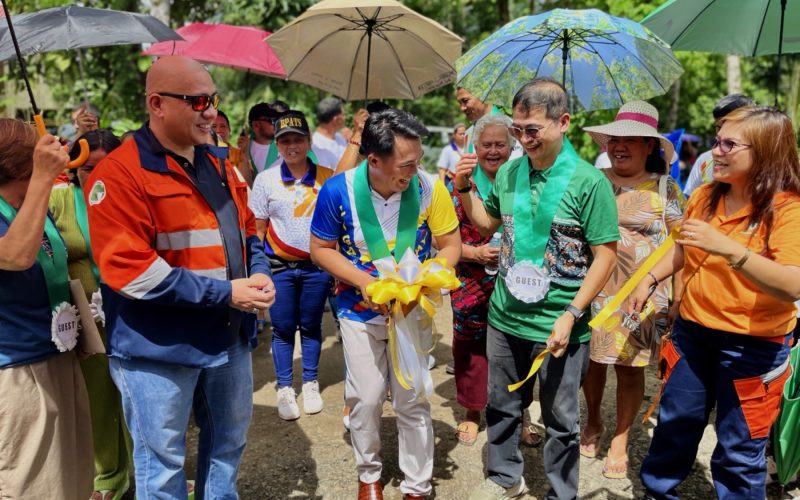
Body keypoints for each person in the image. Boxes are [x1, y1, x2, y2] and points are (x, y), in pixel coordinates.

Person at [85, 55, 275, 498]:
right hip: (157, 349)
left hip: (227, 337)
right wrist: (227, 292)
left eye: (214, 99)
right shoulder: (120, 174)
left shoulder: (218, 163)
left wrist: (260, 274)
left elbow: (248, 230)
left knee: (227, 448)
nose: (211, 111)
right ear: (157, 104)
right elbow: (130, 272)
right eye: (198, 100)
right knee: (162, 467)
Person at [455, 78, 619, 500]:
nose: (523, 140)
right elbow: (488, 224)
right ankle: (505, 479)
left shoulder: (589, 182)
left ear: (563, 122)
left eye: (533, 130)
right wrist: (462, 189)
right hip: (505, 318)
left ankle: (561, 492)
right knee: (502, 407)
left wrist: (572, 314)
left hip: (558, 327)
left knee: (562, 419)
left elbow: (605, 256)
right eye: (517, 130)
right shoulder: (509, 172)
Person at [630, 106, 800, 499]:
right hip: (692, 336)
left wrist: (729, 250)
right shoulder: (706, 196)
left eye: (729, 143)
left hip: (753, 347)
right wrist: (650, 278)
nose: (716, 151)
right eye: (716, 140)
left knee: (739, 450)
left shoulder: (787, 209)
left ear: (766, 151)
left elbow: (793, 284)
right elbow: (681, 246)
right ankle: (658, 492)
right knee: (674, 427)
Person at [310, 108, 461, 500]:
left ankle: (417, 483)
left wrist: (421, 283)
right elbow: (320, 249)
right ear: (373, 160)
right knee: (367, 396)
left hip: (411, 311)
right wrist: (364, 282)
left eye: (418, 161)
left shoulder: (429, 188)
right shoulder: (337, 191)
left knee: (412, 398)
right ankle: (369, 474)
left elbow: (451, 246)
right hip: (357, 311)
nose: (415, 170)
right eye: (406, 164)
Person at [579, 101, 686, 480]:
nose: (618, 146)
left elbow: (681, 243)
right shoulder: (593, 181)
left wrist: (672, 293)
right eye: (613, 140)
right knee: (591, 362)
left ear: (648, 146)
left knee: (628, 368)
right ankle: (593, 421)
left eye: (630, 140)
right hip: (594, 287)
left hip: (640, 295)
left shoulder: (665, 187)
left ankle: (621, 438)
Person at [0, 118, 94, 499]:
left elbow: (56, 269)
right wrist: (41, 178)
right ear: (22, 164)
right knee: (32, 484)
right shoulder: (33, 195)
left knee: (71, 477)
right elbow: (17, 255)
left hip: (58, 355)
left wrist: (80, 328)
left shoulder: (34, 204)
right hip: (17, 370)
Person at [249, 110, 355, 420]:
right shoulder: (266, 179)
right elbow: (257, 228)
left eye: (297, 139)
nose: (291, 146)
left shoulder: (326, 176)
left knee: (310, 327)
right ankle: (284, 386)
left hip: (315, 267)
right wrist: (257, 269)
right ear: (278, 145)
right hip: (278, 266)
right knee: (282, 328)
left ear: (308, 141)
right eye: (285, 141)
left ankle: (309, 381)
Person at [49, 129, 133, 500]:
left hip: (132, 310)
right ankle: (108, 476)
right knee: (98, 398)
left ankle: (144, 471)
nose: (95, 175)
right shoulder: (60, 200)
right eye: (86, 168)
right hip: (87, 319)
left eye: (104, 166)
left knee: (138, 396)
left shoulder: (131, 196)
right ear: (73, 168)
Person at [450, 114, 513, 446]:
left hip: (514, 281)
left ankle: (519, 411)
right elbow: (439, 239)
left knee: (517, 347)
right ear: (475, 148)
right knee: (471, 346)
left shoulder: (521, 180)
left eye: (500, 145)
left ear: (511, 147)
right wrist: (475, 254)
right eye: (486, 144)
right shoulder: (460, 182)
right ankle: (473, 411)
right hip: (470, 280)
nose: (493, 151)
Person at [683, 94, 754, 197]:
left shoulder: (763, 165)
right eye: (718, 127)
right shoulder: (705, 161)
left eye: (729, 126)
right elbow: (688, 201)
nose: (722, 133)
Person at [313, 97, 349, 164]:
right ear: (336, 119)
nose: (345, 118)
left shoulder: (340, 138)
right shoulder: (316, 145)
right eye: (343, 115)